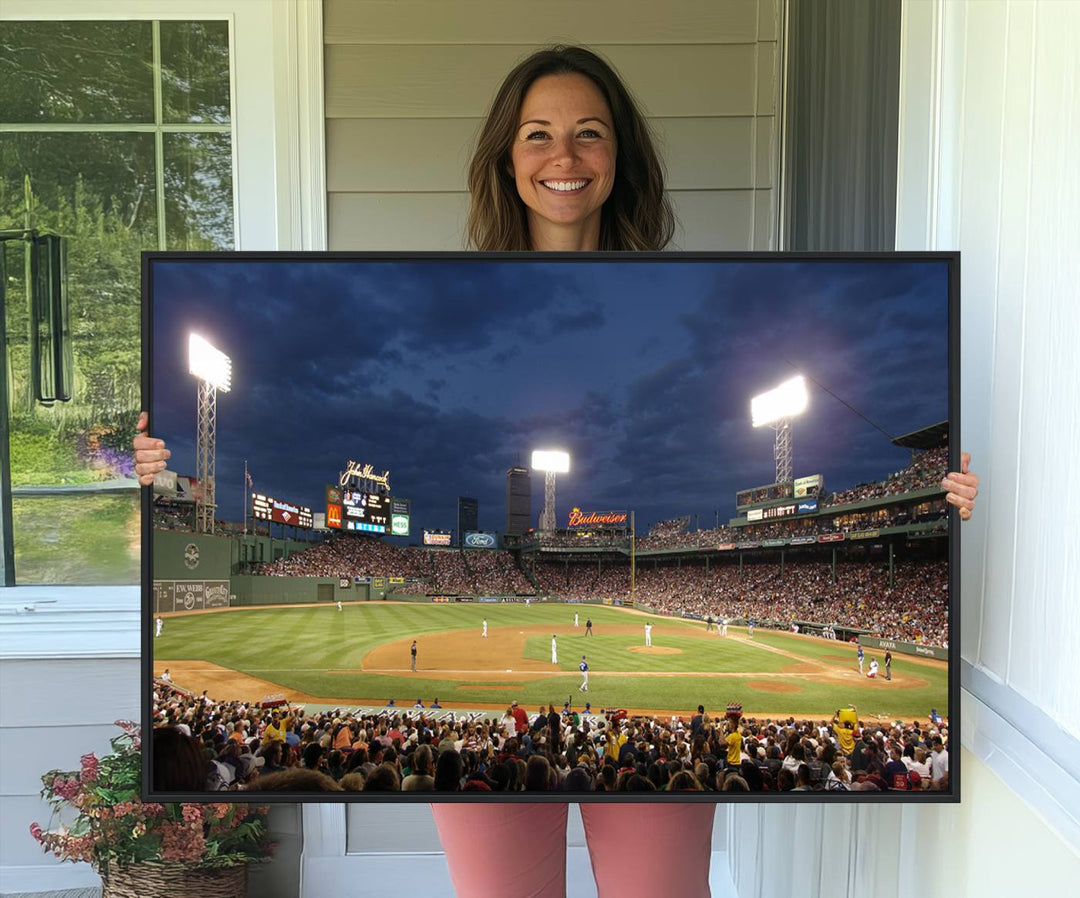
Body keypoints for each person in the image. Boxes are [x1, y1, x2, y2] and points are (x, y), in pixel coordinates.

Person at [134, 42, 981, 898]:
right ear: (506, 158)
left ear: (621, 158)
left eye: (590, 133)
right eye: (537, 134)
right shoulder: (450, 290)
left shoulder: (681, 288)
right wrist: (143, 470)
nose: (563, 157)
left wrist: (948, 500)